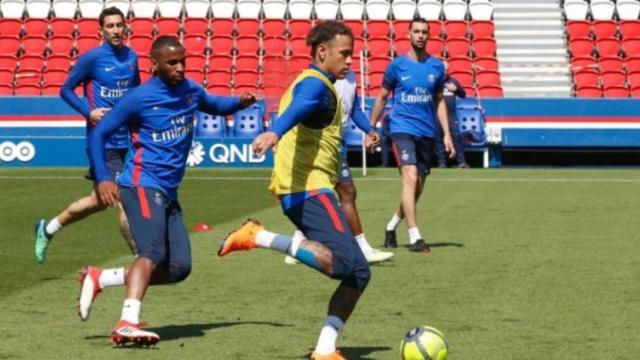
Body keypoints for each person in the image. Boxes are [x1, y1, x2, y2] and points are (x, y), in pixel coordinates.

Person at [79, 35, 257, 345]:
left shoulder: (189, 90)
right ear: (155, 64)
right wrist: (104, 176)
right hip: (141, 184)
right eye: (172, 63)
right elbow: (100, 133)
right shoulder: (139, 97)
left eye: (182, 62)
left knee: (178, 268)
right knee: (152, 251)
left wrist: (239, 103)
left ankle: (100, 278)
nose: (179, 68)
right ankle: (127, 321)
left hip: (167, 190)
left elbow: (214, 105)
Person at [217, 21, 372, 360]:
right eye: (344, 54)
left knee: (360, 272)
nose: (349, 61)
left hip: (307, 187)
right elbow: (301, 106)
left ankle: (324, 349)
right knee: (347, 264)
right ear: (322, 52)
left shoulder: (317, 82)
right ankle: (258, 236)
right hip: (309, 188)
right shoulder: (315, 85)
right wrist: (274, 131)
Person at [33, 7, 139, 264]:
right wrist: (88, 112)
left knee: (98, 201)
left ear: (125, 27)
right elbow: (66, 89)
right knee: (124, 199)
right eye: (110, 26)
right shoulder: (92, 59)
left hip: (127, 140)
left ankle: (47, 228)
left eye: (119, 25)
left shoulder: (132, 56)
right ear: (100, 31)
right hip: (103, 142)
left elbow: (135, 92)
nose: (115, 30)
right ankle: (144, 260)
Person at [284, 68, 393, 265]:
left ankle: (297, 245)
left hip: (336, 142)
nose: (349, 59)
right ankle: (362, 248)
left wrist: (369, 129)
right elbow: (299, 107)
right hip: (321, 143)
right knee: (347, 193)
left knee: (320, 193)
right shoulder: (319, 78)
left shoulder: (349, 76)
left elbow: (353, 109)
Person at [369, 18, 455, 253]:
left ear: (429, 36)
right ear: (408, 34)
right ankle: (415, 236)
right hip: (401, 128)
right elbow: (382, 97)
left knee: (417, 185)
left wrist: (447, 134)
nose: (420, 35)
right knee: (410, 175)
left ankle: (391, 225)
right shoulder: (397, 66)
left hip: (427, 132)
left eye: (424, 32)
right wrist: (371, 128)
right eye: (416, 31)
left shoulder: (437, 67)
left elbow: (439, 100)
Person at [435, 74, 468, 168]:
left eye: (446, 70)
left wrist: (456, 89)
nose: (445, 72)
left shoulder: (453, 81)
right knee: (438, 138)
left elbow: (463, 94)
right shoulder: (434, 81)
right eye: (443, 70)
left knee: (456, 137)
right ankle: (441, 163)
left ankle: (461, 162)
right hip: (437, 114)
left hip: (451, 115)